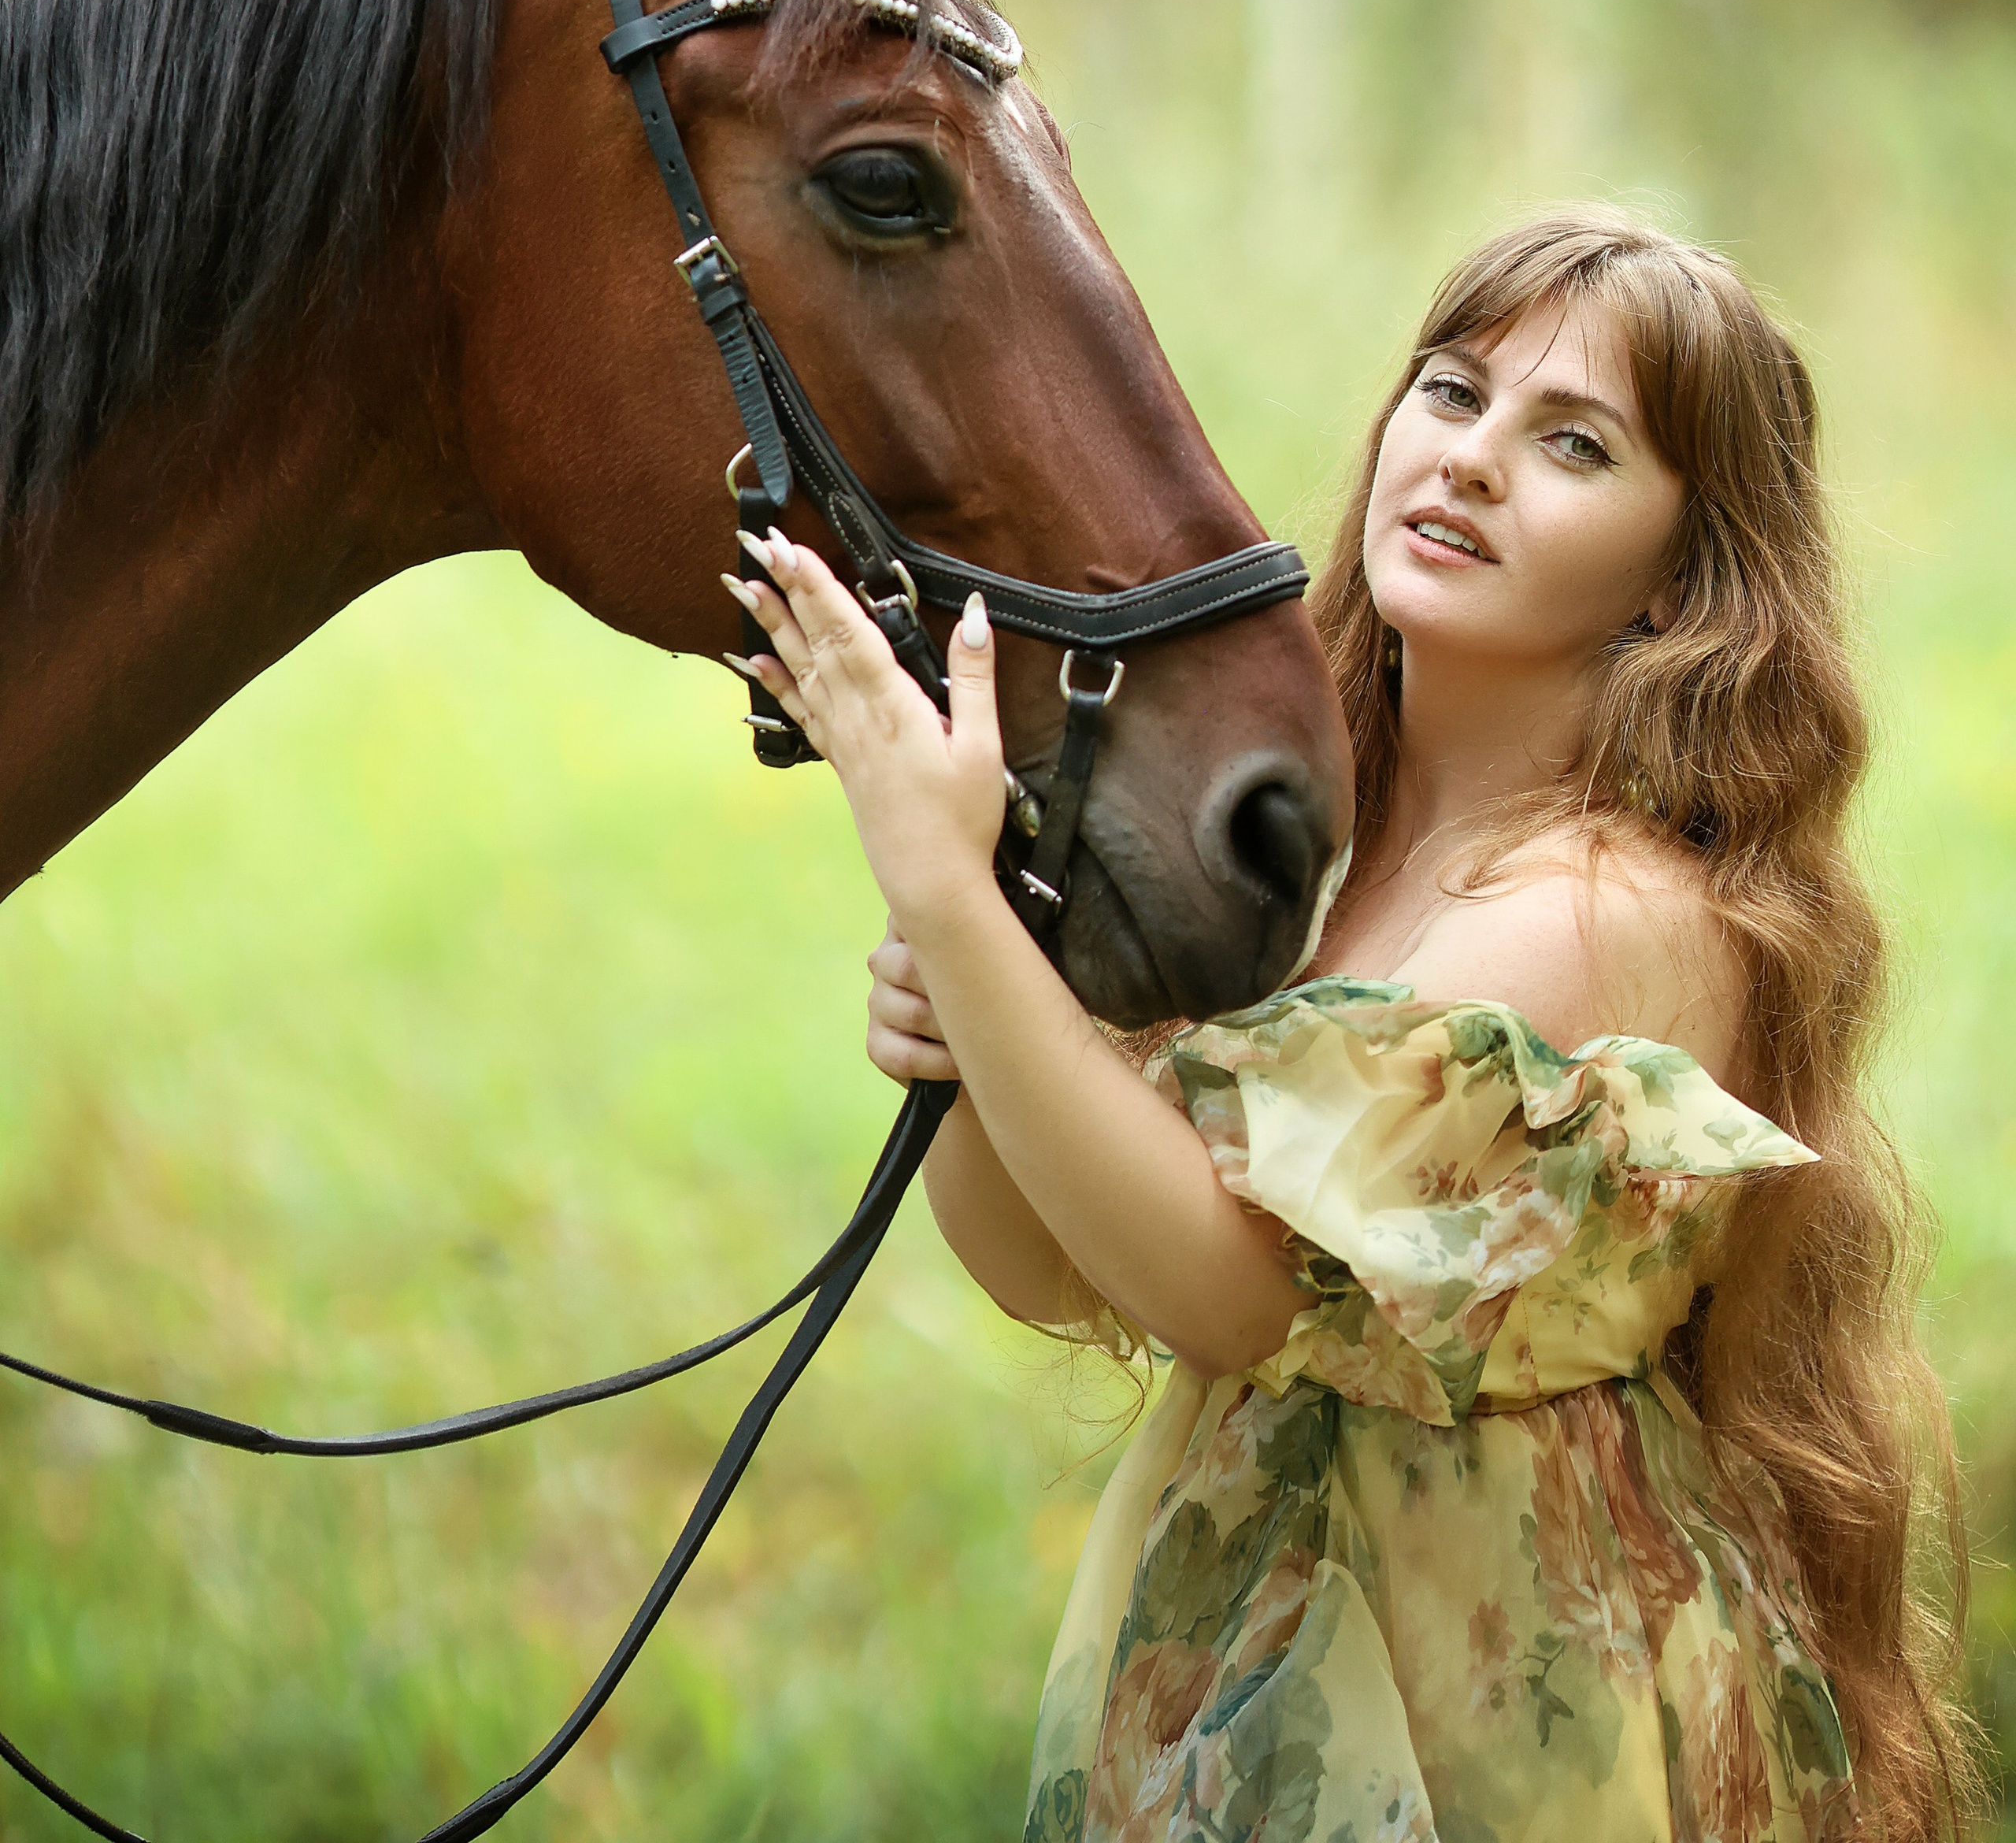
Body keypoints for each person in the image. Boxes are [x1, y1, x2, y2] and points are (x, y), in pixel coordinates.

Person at [723, 211, 1973, 1843]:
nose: (1471, 459)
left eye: (1574, 443)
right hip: (1256, 1701)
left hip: (1487, 1744)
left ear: (1685, 574)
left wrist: (954, 908)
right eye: (1451, 392)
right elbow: (1057, 1268)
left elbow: (1230, 1296)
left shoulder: (1604, 913)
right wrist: (977, 1003)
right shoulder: (1323, 881)